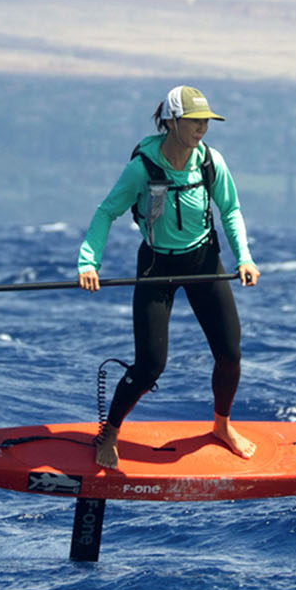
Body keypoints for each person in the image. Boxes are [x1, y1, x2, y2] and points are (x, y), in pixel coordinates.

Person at [77, 86, 261, 469]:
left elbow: (230, 211)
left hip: (203, 262)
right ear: (172, 122)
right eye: (194, 121)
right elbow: (106, 212)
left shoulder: (210, 162)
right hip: (156, 266)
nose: (202, 128)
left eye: (206, 121)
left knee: (230, 353)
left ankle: (221, 426)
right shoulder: (142, 168)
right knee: (150, 365)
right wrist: (88, 263)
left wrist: (244, 258)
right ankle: (110, 432)